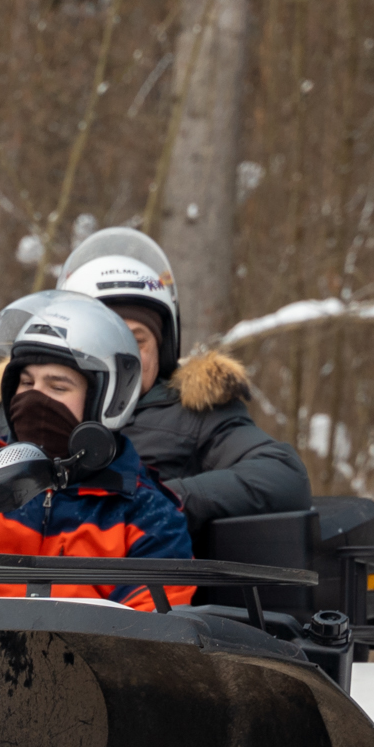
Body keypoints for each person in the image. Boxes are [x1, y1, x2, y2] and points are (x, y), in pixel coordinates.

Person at [0, 292, 193, 607]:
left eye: (57, 387)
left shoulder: (148, 516)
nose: (35, 399)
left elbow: (154, 640)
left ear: (107, 401)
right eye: (26, 384)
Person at [58, 226, 311, 534]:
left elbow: (282, 475)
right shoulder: (28, 402)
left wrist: (163, 500)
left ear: (162, 349)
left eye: (136, 340)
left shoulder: (195, 415)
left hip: (142, 576)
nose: (120, 355)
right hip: (28, 578)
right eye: (103, 338)